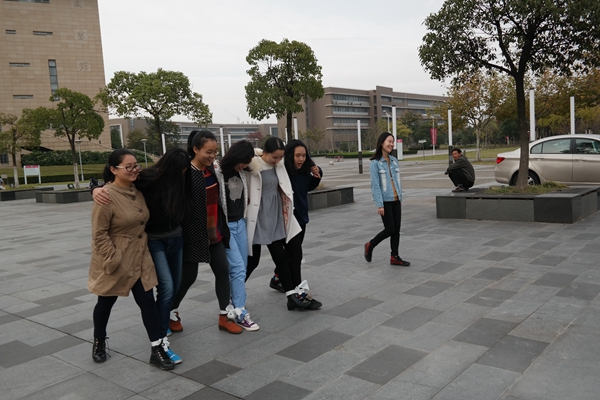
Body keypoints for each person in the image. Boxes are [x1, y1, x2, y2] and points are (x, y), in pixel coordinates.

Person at [91, 148, 189, 365]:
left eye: (136, 165)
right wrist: (113, 258)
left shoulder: (138, 189)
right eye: (129, 167)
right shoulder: (106, 196)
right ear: (114, 170)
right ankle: (99, 340)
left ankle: (157, 349)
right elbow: (99, 234)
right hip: (116, 257)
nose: (135, 170)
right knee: (106, 301)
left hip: (140, 255)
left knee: (147, 302)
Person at [170, 130, 242, 334]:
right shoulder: (185, 173)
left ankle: (224, 316)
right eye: (208, 152)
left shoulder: (212, 170)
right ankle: (170, 311)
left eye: (215, 151)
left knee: (223, 270)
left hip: (214, 232)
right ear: (195, 149)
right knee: (188, 278)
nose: (212, 155)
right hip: (192, 235)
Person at [245, 137, 310, 311]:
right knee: (252, 261)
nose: (278, 160)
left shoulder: (280, 165)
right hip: (258, 218)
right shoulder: (251, 165)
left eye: (281, 157)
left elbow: (299, 164)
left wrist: (314, 168)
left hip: (275, 216)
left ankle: (291, 295)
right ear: (265, 152)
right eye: (275, 157)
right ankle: (232, 293)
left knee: (280, 257)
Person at [268, 139, 322, 310]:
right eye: (298, 155)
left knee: (291, 254)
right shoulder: (282, 172)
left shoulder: (304, 172)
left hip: (301, 218)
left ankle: (278, 278)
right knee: (295, 255)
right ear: (290, 155)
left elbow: (309, 186)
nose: (301, 159)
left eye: (304, 155)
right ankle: (298, 293)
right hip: (287, 220)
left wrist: (317, 173)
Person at [215, 140, 259, 330]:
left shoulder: (242, 172)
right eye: (243, 161)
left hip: (241, 223)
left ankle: (234, 305)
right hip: (226, 227)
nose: (245, 165)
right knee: (238, 268)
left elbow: (266, 159)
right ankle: (240, 312)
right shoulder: (218, 172)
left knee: (242, 267)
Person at [364, 132, 411, 267]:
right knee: (389, 229)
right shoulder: (375, 163)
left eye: (393, 142)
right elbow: (375, 185)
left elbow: (397, 181)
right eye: (389, 141)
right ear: (382, 143)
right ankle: (370, 245)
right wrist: (380, 205)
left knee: (396, 230)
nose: (391, 144)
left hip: (396, 200)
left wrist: (399, 198)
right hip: (385, 202)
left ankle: (394, 256)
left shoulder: (394, 160)